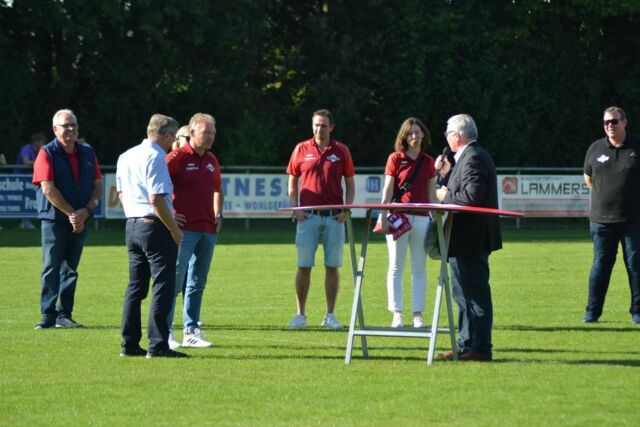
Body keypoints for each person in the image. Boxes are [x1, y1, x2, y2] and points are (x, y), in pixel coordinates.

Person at [116, 114, 187, 358]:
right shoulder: (156, 157)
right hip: (154, 228)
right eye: (174, 137)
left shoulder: (125, 156)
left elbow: (122, 193)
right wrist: (174, 230)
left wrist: (133, 215)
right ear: (166, 135)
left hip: (132, 225)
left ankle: (129, 344)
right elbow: (156, 199)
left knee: (135, 288)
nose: (174, 142)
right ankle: (158, 345)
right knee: (163, 287)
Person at [435, 114, 502, 361]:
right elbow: (460, 190)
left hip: (470, 238)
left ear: (457, 135)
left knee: (474, 293)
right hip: (463, 237)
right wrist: (445, 176)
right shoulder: (467, 158)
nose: (446, 138)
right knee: (463, 294)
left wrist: (443, 195)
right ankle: (467, 345)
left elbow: (470, 197)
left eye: (447, 134)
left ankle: (479, 348)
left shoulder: (473, 157)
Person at [32, 109, 103, 329]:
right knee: (51, 267)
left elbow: (98, 185)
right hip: (55, 221)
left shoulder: (88, 152)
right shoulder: (47, 152)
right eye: (65, 126)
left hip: (81, 218)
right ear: (55, 129)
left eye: (74, 125)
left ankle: (65, 314)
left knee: (71, 268)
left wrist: (87, 210)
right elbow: (48, 188)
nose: (71, 129)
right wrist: (73, 213)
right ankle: (48, 314)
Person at [286, 109, 355, 329]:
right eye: (316, 125)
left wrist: (347, 210)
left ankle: (330, 315)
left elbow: (351, 182)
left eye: (323, 125)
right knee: (303, 266)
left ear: (331, 127)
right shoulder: (301, 148)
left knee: (332, 266)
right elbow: (292, 181)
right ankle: (300, 315)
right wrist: (295, 208)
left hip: (334, 218)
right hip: (308, 217)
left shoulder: (341, 150)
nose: (319, 129)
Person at [165, 113, 223, 349]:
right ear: (192, 132)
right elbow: (157, 187)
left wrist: (219, 213)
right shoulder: (176, 157)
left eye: (212, 133)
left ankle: (191, 330)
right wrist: (169, 214)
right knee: (174, 281)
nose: (209, 137)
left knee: (197, 282)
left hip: (207, 229)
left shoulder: (212, 160)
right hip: (183, 230)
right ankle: (165, 331)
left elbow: (218, 189)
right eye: (205, 132)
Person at [583, 106, 640, 325]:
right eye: (606, 122)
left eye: (614, 121)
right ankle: (592, 312)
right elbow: (588, 178)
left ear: (625, 122)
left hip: (633, 220)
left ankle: (637, 311)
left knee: (635, 265)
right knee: (600, 265)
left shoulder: (637, 146)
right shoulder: (596, 148)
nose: (610, 126)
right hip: (601, 220)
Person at [379, 118, 436, 328]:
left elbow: (431, 196)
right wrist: (383, 215)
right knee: (395, 267)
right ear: (404, 136)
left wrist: (438, 218)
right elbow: (387, 190)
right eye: (410, 133)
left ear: (423, 135)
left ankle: (418, 314)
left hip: (421, 218)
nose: (414, 136)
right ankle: (397, 313)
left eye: (417, 132)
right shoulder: (395, 158)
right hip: (398, 218)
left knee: (419, 268)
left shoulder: (429, 161)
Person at [16, 133, 47, 230]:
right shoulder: (27, 148)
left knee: (33, 198)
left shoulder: (44, 149)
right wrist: (40, 163)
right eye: (38, 142)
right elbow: (26, 162)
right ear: (34, 142)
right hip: (19, 179)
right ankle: (25, 222)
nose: (40, 144)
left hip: (34, 179)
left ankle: (28, 222)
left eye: (42, 142)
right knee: (23, 199)